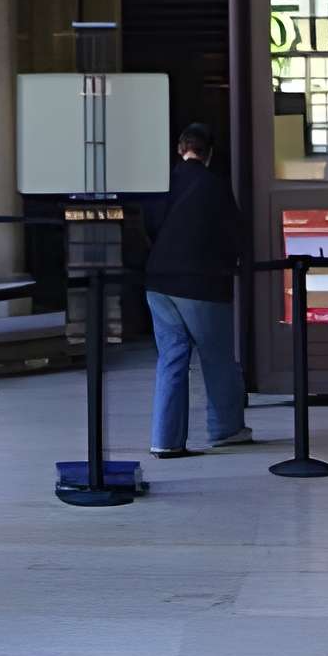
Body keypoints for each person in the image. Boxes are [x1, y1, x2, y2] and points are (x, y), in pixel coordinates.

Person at [144, 123, 250, 457]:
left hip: (159, 281)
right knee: (217, 358)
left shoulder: (162, 185)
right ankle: (226, 429)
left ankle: (166, 439)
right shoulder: (215, 186)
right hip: (201, 284)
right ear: (210, 153)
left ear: (180, 149)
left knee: (171, 359)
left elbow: (149, 227)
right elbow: (234, 234)